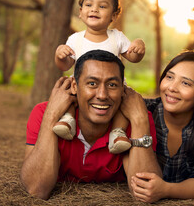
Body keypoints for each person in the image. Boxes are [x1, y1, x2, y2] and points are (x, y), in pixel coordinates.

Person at [20, 50, 161, 200]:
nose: (102, 95)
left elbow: (145, 191)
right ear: (74, 86)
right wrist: (51, 116)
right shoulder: (44, 113)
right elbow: (36, 189)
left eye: (112, 85)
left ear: (122, 89)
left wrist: (139, 121)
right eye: (92, 83)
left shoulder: (136, 118)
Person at [125, 51, 194, 203]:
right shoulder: (145, 111)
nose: (172, 88)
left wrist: (166, 190)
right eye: (169, 77)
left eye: (186, 83)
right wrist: (140, 120)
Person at [53, 0, 145, 155]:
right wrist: (60, 55)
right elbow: (64, 66)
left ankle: (117, 133)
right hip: (82, 87)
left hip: (111, 87)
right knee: (68, 94)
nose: (94, 9)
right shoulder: (75, 39)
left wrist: (138, 46)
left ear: (114, 15)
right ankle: (68, 120)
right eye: (89, 5)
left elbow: (133, 57)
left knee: (124, 102)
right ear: (80, 12)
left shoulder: (117, 37)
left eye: (102, 6)